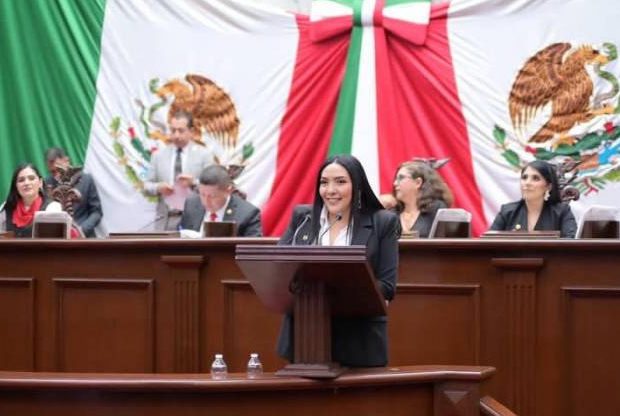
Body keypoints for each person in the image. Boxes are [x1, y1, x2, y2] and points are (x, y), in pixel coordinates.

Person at [277, 154, 401, 367]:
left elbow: (387, 286)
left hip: (359, 341)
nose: (330, 190)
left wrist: (333, 292)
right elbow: (278, 267)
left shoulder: (383, 222)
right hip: (304, 337)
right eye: (324, 183)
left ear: (358, 185)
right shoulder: (303, 218)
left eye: (340, 182)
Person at [143, 111, 215, 230]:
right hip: (166, 220)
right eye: (173, 130)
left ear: (191, 131)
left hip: (196, 220)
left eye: (181, 131)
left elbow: (213, 188)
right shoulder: (158, 155)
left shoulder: (204, 155)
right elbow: (146, 186)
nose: (176, 135)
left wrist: (193, 183)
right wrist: (158, 187)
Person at [489, 160, 577, 238]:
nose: (527, 183)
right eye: (524, 177)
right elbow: (489, 243)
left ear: (548, 187)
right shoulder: (507, 212)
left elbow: (570, 243)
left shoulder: (562, 212)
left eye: (535, 178)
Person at [178, 164, 262, 237]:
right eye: (202, 194)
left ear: (228, 191)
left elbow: (252, 248)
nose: (206, 201)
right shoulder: (191, 205)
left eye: (213, 196)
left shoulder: (247, 214)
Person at [44, 147, 104, 238]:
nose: (56, 175)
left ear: (66, 161)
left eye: (59, 170)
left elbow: (96, 212)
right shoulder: (48, 183)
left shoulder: (86, 180)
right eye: (52, 172)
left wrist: (81, 230)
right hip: (57, 238)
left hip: (84, 237)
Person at [0, 163, 64, 237]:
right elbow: (3, 239)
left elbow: (54, 240)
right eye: (21, 180)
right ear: (16, 186)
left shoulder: (53, 208)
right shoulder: (6, 208)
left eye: (31, 178)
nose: (26, 183)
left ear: (40, 183)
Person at [391, 160, 454, 238]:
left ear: (418, 182)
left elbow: (447, 242)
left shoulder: (436, 209)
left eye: (401, 178)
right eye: (396, 179)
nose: (395, 183)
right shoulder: (392, 213)